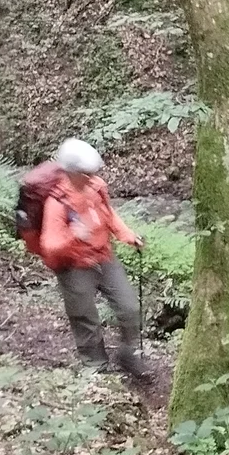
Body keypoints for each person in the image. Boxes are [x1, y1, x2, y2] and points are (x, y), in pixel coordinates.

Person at [38, 138, 149, 375]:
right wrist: (73, 236)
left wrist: (127, 235)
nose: (92, 177)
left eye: (92, 172)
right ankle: (95, 366)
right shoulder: (56, 202)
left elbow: (108, 215)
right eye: (86, 173)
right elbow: (49, 245)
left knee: (130, 308)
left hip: (104, 257)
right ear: (72, 172)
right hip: (74, 266)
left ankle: (129, 355)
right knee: (85, 318)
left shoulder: (95, 187)